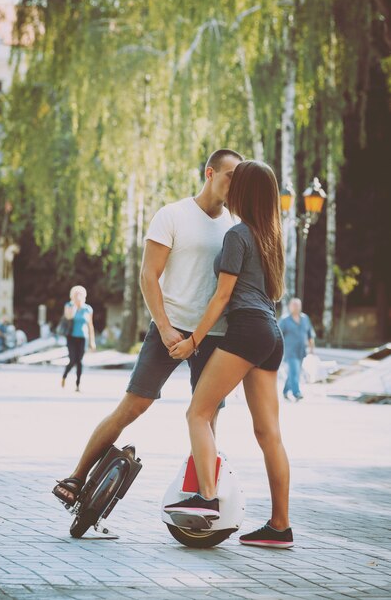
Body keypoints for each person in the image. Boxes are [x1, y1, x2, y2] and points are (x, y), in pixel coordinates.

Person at [52, 148, 244, 506]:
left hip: (216, 335)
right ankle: (76, 477)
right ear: (209, 173)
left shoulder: (235, 227)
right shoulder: (172, 215)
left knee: (207, 419)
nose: (234, 183)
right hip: (168, 331)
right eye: (230, 174)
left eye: (239, 177)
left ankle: (206, 500)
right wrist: (166, 327)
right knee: (132, 407)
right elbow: (148, 276)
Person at [163, 160, 294, 549]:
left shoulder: (237, 235)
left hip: (247, 330)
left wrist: (193, 341)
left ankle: (206, 498)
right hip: (271, 333)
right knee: (269, 434)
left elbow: (222, 297)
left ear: (244, 193)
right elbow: (272, 294)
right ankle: (280, 527)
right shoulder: (271, 236)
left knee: (198, 413)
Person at [279, 298, 316, 401]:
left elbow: (310, 334)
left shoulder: (305, 318)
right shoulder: (285, 320)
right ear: (290, 306)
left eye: (297, 305)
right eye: (293, 305)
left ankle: (285, 391)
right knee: (295, 371)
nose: (295, 307)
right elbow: (277, 334)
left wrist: (312, 348)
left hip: (301, 351)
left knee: (294, 372)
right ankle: (297, 393)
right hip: (290, 351)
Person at [61, 285, 96, 393]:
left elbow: (90, 325)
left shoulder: (88, 309)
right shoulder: (69, 306)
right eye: (76, 295)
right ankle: (64, 376)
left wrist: (92, 341)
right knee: (72, 360)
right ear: (72, 296)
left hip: (83, 338)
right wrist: (75, 306)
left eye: (80, 294)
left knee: (80, 361)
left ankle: (78, 384)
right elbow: (69, 317)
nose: (78, 296)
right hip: (71, 337)